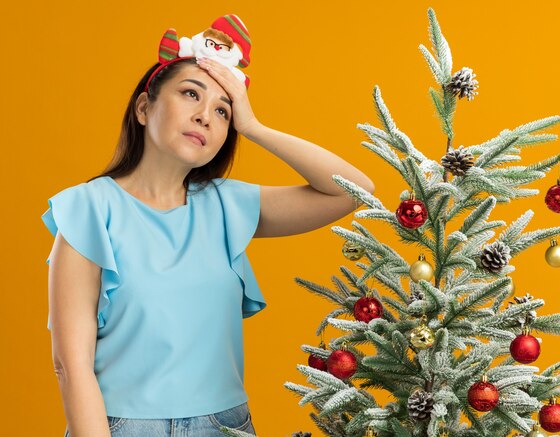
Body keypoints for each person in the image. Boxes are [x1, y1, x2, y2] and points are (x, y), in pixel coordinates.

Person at [42, 14, 375, 437]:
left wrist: (252, 126)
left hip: (226, 424)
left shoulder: (225, 205)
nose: (205, 117)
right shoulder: (88, 209)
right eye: (189, 94)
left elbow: (352, 190)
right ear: (145, 108)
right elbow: (70, 366)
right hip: (122, 427)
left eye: (222, 110)